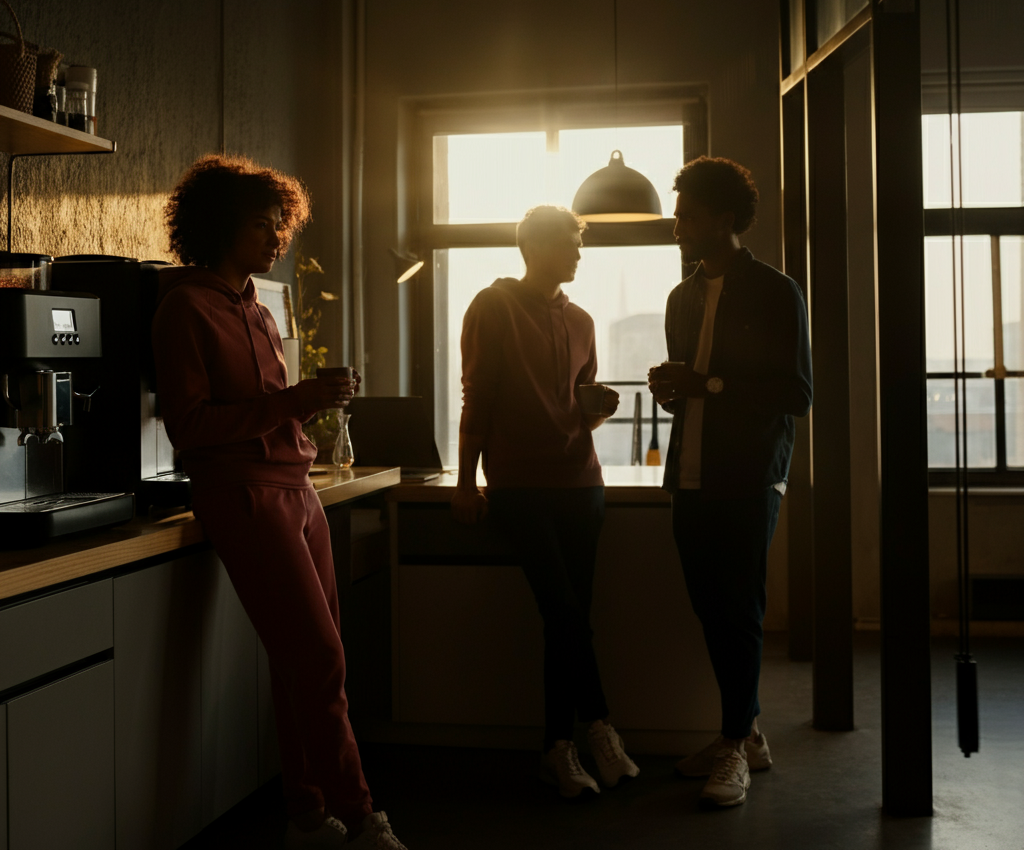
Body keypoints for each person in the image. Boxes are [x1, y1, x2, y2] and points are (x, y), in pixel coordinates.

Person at [152, 154, 409, 850]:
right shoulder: (185, 307)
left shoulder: (260, 309)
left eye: (280, 226)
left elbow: (273, 412)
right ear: (218, 227)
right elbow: (191, 427)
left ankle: (306, 814)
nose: (276, 239)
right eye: (262, 226)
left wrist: (317, 408)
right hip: (242, 495)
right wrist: (293, 401)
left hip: (296, 491)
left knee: (307, 659)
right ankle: (361, 819)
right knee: (319, 658)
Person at [451, 204, 639, 800]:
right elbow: (477, 397)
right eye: (568, 243)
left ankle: (558, 749)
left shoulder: (582, 319)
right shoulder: (493, 306)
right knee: (565, 615)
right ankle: (600, 728)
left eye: (579, 245)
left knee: (569, 621)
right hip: (520, 487)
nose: (578, 254)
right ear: (531, 247)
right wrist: (464, 483)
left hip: (582, 486)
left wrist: (597, 410)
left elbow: (576, 409)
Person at [648, 157, 812, 809]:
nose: (677, 225)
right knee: (712, 612)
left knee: (739, 614)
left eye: (686, 214)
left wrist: (707, 385)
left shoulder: (776, 292)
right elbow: (688, 392)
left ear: (722, 218)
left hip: (747, 480)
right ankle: (743, 736)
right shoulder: (680, 297)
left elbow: (796, 394)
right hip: (687, 478)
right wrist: (672, 391)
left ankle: (734, 744)